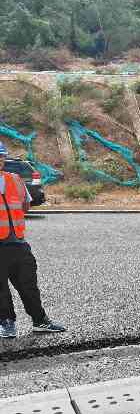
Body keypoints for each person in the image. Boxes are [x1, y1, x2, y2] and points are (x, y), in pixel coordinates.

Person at [0, 142, 65, 339]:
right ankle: (7, 323)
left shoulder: (15, 179)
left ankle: (40, 321)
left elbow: (25, 205)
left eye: (1, 156)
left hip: (18, 243)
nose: (0, 160)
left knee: (28, 285)